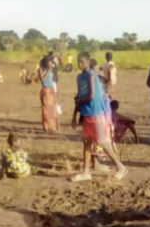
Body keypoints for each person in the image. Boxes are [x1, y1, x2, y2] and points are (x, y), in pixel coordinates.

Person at [71, 52, 128, 182]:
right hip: (86, 114)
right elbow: (78, 97)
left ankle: (120, 167)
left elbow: (90, 96)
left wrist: (79, 101)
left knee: (102, 142)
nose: (79, 64)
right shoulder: (79, 77)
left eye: (82, 62)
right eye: (78, 62)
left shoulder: (92, 76)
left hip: (96, 113)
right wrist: (74, 115)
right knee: (87, 142)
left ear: (87, 62)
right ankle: (85, 172)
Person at [39, 56, 60, 133]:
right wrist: (48, 71)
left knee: (53, 109)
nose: (51, 63)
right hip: (46, 90)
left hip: (51, 90)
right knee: (46, 110)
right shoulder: (41, 69)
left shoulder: (52, 70)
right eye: (50, 62)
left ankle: (54, 126)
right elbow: (42, 79)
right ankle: (47, 127)